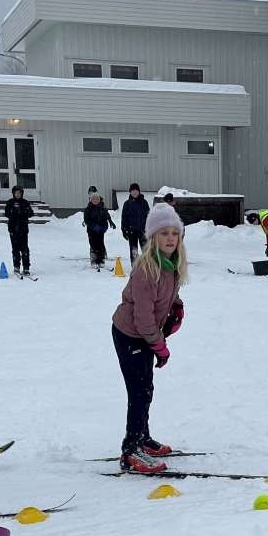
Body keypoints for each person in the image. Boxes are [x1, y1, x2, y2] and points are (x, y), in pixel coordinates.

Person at [110, 202, 187, 474]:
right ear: (153, 238)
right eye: (163, 233)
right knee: (139, 391)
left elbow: (166, 294)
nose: (169, 238)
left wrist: (176, 305)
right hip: (130, 334)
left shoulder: (171, 265)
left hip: (145, 334)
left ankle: (143, 437)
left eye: (174, 233)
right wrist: (160, 347)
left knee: (146, 389)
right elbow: (143, 319)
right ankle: (131, 449)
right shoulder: (146, 269)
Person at [83, 189, 117, 268]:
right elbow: (87, 220)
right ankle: (94, 260)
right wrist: (94, 226)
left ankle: (101, 260)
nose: (95, 200)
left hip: (101, 230)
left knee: (100, 245)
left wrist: (110, 223)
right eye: (93, 199)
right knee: (93, 245)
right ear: (91, 200)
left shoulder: (102, 208)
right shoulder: (88, 209)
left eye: (97, 199)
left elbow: (107, 216)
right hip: (92, 230)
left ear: (99, 199)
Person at [5, 186, 34, 276]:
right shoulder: (10, 202)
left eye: (19, 193)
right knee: (15, 249)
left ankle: (26, 268)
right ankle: (16, 266)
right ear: (13, 193)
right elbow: (7, 213)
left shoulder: (25, 203)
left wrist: (24, 212)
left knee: (24, 249)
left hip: (23, 229)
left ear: (22, 194)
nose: (18, 194)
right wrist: (13, 212)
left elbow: (31, 213)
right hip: (13, 229)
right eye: (16, 193)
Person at [120, 182, 150, 264]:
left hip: (143, 231)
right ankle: (135, 267)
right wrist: (124, 230)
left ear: (139, 191)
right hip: (131, 231)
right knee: (134, 250)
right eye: (132, 190)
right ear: (130, 192)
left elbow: (149, 217)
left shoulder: (144, 203)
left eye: (136, 190)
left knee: (146, 250)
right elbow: (124, 218)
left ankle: (148, 266)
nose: (134, 192)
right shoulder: (127, 204)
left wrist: (149, 229)